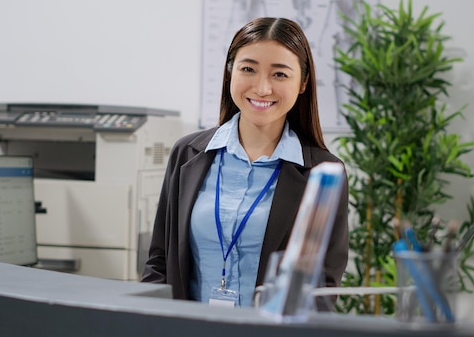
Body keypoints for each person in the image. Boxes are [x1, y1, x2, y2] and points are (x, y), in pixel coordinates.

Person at [141, 17, 349, 310]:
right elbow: (159, 263)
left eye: (279, 74)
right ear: (230, 73)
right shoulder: (187, 153)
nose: (262, 88)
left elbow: (322, 285)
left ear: (303, 83)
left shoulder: (323, 172)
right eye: (248, 69)